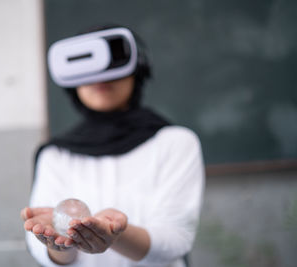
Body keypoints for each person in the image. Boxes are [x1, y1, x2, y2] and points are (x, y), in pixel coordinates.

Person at [21, 25, 205, 267]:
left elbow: (175, 240)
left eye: (113, 60)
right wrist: (57, 245)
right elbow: (47, 254)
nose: (99, 76)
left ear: (136, 70)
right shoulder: (56, 155)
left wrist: (116, 236)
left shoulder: (175, 142)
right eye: (85, 64)